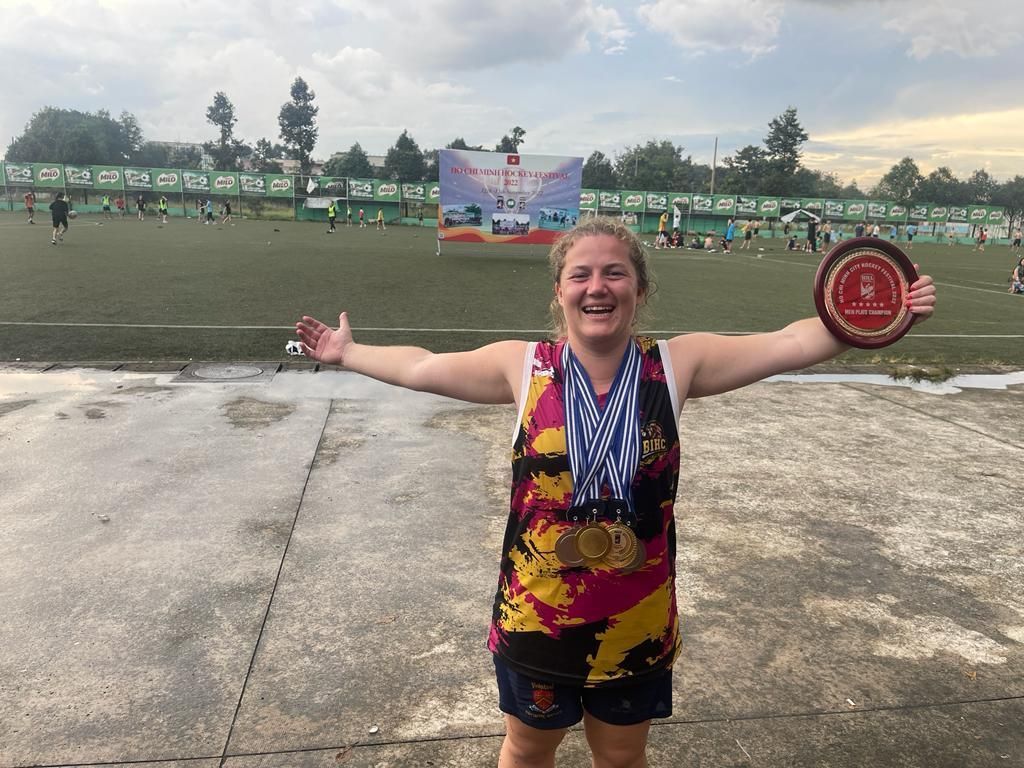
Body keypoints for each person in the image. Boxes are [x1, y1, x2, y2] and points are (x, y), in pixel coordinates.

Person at [293, 217, 936, 768]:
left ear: (639, 289)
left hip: (638, 618)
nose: (597, 287)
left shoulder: (678, 365)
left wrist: (874, 313)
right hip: (537, 614)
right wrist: (350, 353)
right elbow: (423, 366)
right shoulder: (522, 367)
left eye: (614, 273)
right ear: (559, 291)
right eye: (581, 274)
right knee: (525, 752)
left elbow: (790, 343)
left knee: (624, 756)